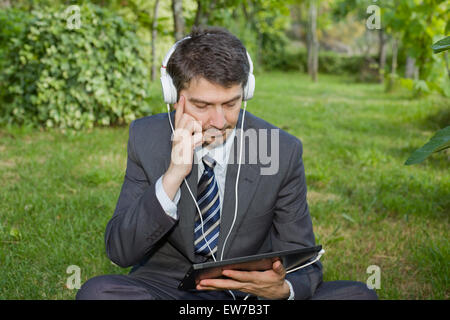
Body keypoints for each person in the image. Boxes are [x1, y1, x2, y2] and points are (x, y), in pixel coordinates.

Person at [76, 26, 377, 300]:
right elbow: (120, 251)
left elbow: (304, 258)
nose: (219, 121)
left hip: (251, 296)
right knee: (98, 294)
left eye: (231, 104)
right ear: (173, 95)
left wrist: (283, 289)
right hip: (171, 289)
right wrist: (173, 175)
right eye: (202, 105)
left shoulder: (282, 149)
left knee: (357, 296)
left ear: (247, 92)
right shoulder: (146, 138)